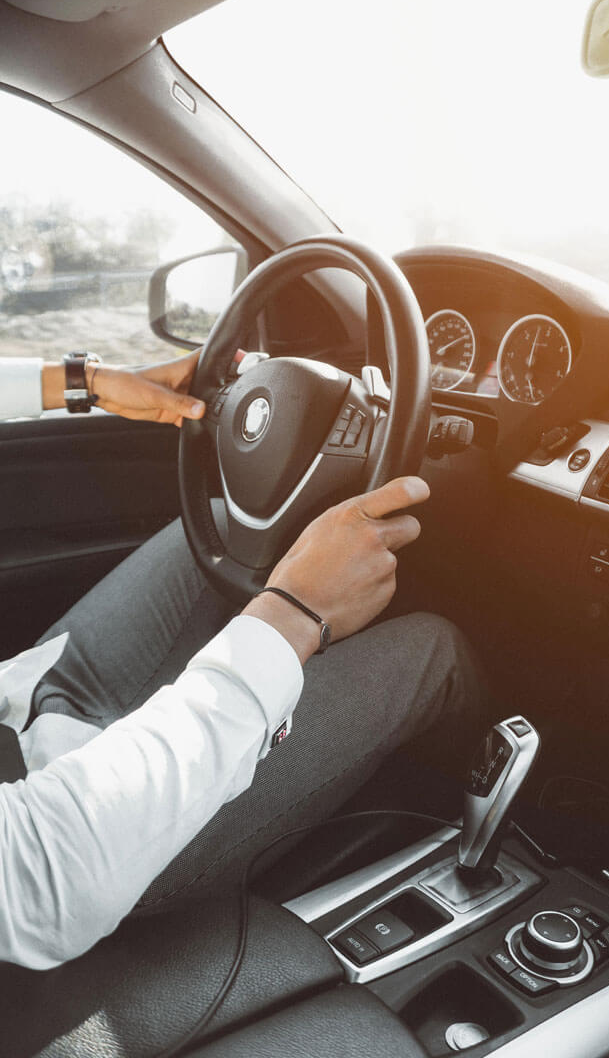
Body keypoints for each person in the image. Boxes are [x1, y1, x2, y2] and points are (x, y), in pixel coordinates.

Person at [0, 352, 487, 970]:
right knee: (433, 650)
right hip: (92, 845)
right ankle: (531, 823)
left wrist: (80, 381)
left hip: (19, 705)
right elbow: (41, 880)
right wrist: (292, 612)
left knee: (229, 527)